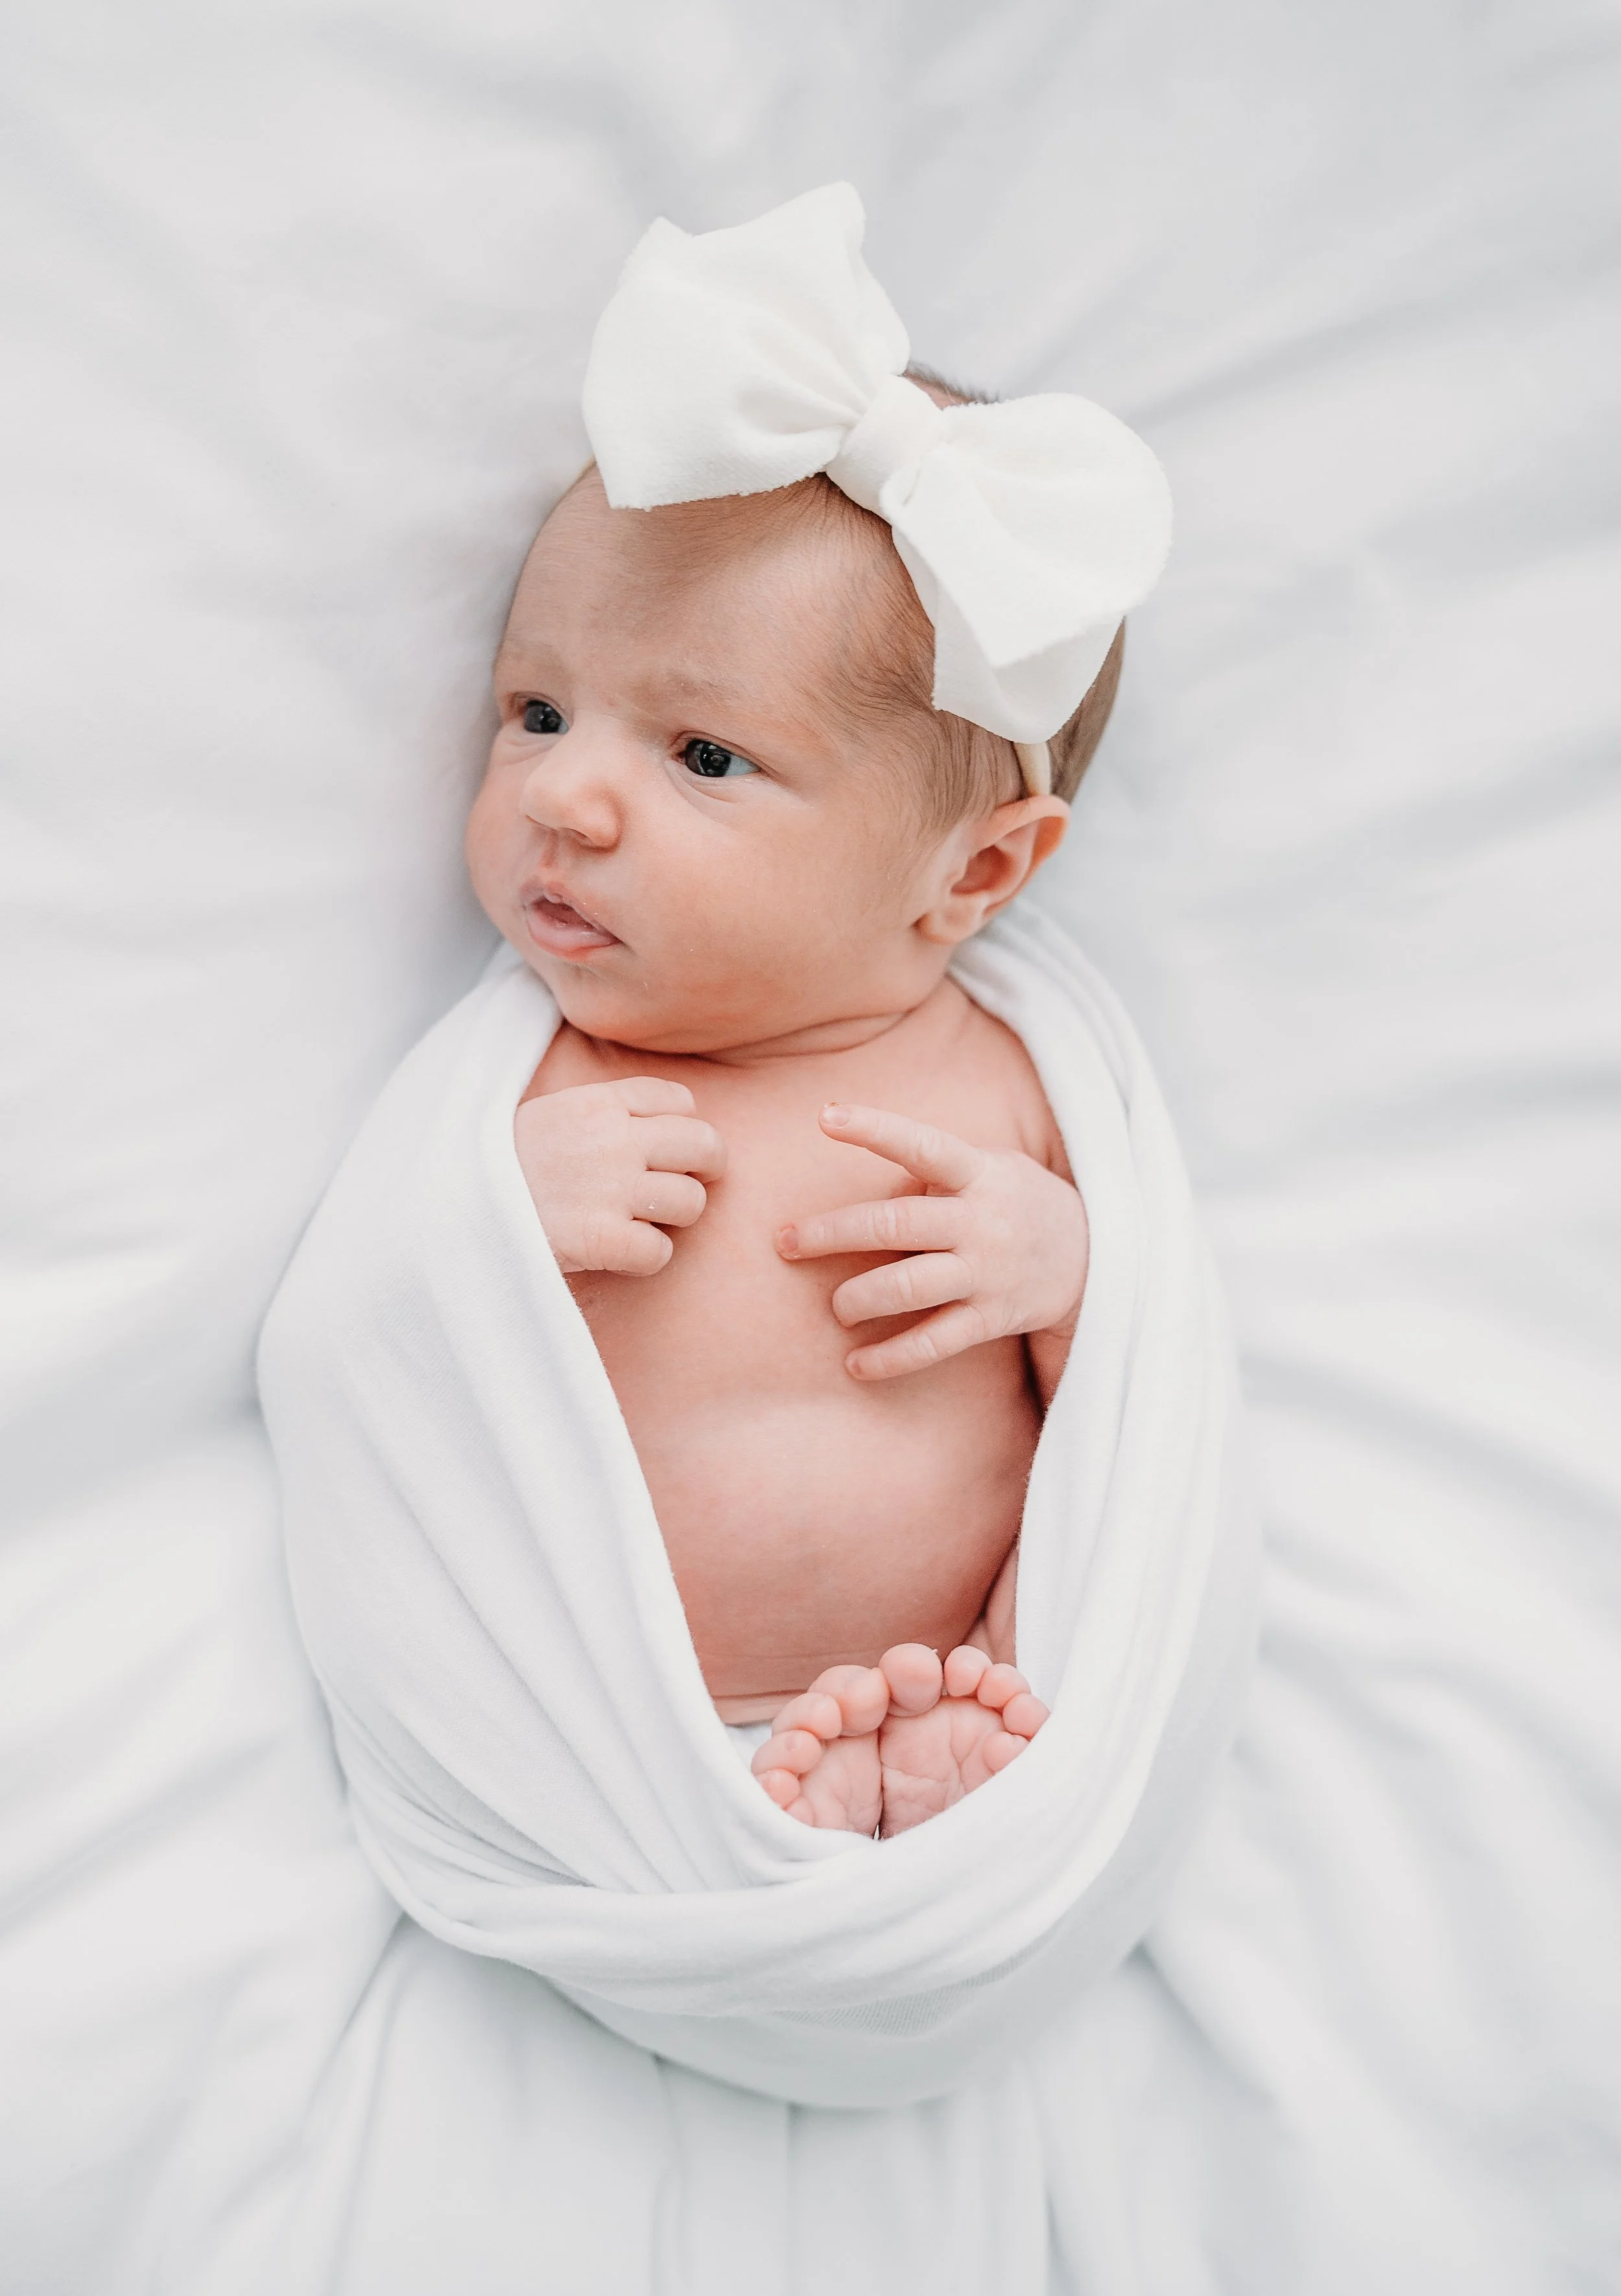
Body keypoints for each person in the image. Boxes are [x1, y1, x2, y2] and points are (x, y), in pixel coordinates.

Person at [462, 183, 1172, 1838]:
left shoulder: (1010, 1089)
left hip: (949, 1664)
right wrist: (483, 1218)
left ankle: (924, 1776)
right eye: (537, 707)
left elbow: (1142, 1392)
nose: (562, 796)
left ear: (973, 876)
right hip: (588, 1712)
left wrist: (1062, 1272)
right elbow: (372, 1333)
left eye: (701, 754)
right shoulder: (533, 1076)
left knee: (973, 1761)